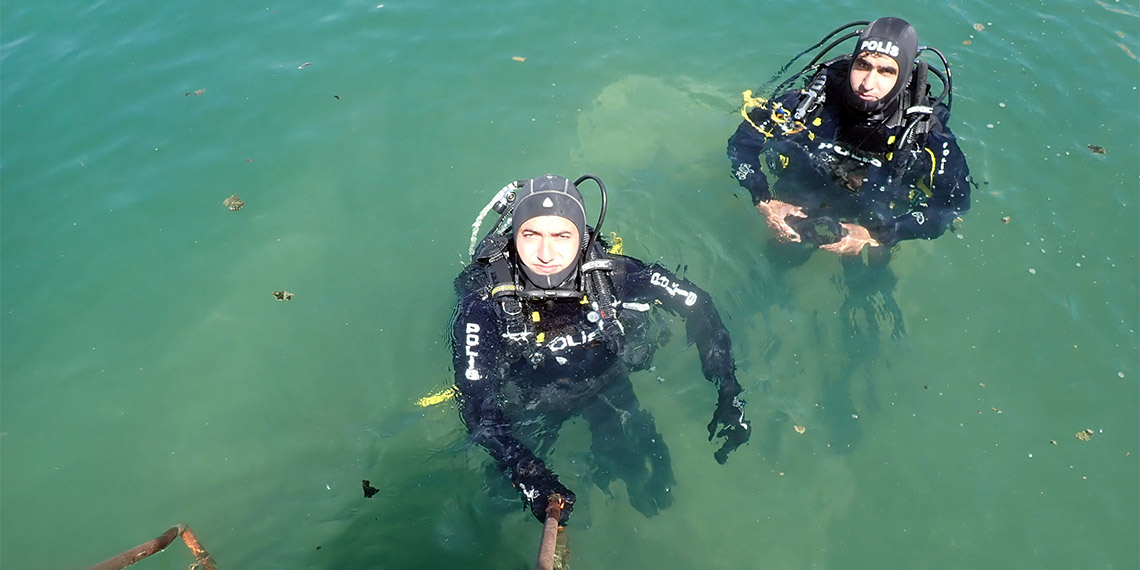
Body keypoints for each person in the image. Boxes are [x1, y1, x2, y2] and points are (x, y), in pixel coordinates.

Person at [451, 174, 750, 525]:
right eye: (532, 235)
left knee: (654, 483)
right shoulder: (483, 306)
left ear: (582, 237)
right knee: (497, 504)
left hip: (606, 383)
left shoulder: (614, 276)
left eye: (562, 236)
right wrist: (527, 471)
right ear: (515, 236)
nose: (546, 254)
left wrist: (728, 389)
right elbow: (477, 407)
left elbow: (698, 303)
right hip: (528, 402)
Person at [727, 17, 971, 257]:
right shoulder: (812, 102)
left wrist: (881, 233)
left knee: (867, 282)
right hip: (798, 200)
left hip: (871, 218)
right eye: (863, 65)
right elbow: (742, 142)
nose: (867, 83)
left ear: (904, 77)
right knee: (777, 258)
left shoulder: (925, 132)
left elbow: (953, 204)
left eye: (886, 71)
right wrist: (764, 199)